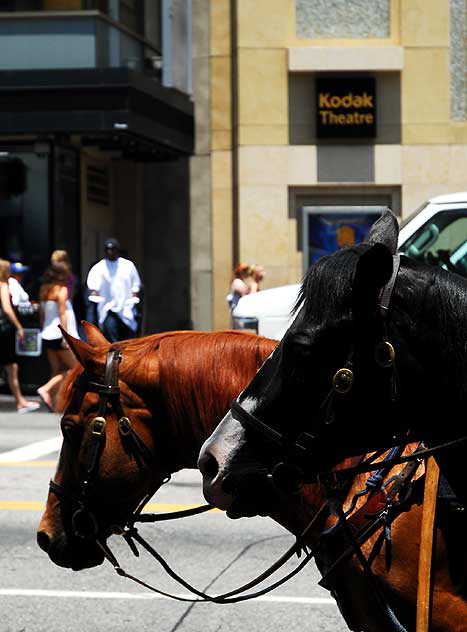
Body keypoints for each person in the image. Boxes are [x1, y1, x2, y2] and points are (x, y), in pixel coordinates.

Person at [37, 262, 79, 412]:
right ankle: (46, 389)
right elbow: (62, 313)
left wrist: (42, 328)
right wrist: (66, 335)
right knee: (75, 368)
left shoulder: (44, 290)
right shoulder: (61, 290)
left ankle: (55, 402)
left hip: (46, 334)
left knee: (56, 369)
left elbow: (42, 314)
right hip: (57, 333)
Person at [0, 259, 40, 413]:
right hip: (4, 330)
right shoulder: (3, 284)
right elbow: (7, 308)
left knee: (10, 366)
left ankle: (20, 400)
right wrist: (18, 326)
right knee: (11, 366)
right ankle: (20, 402)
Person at [86, 238, 142, 342]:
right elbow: (93, 289)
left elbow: (135, 285)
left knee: (128, 339)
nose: (110, 252)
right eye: (107, 249)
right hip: (108, 309)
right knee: (112, 337)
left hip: (126, 309)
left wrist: (134, 300)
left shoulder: (128, 266)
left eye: (113, 249)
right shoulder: (99, 268)